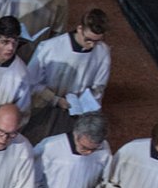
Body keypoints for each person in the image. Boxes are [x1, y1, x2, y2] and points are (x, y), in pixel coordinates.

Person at [25, 9, 112, 143]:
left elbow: (99, 88)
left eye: (97, 41)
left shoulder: (102, 52)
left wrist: (87, 105)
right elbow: (30, 80)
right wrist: (55, 99)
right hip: (44, 107)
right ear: (79, 29)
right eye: (88, 40)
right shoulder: (51, 47)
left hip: (77, 112)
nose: (91, 45)